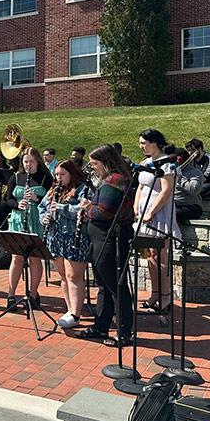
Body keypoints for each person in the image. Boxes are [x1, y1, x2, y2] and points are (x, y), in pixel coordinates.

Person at [76, 144, 135, 346]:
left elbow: (104, 212)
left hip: (111, 239)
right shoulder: (108, 180)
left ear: (106, 163)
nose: (93, 168)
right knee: (103, 285)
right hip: (101, 238)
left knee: (115, 286)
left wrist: (87, 208)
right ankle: (101, 326)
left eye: (95, 164)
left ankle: (125, 332)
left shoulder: (115, 181)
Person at [39, 160, 91, 329]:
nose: (58, 178)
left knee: (73, 276)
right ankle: (69, 309)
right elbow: (42, 207)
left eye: (62, 174)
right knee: (62, 275)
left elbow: (83, 211)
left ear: (72, 173)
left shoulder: (83, 189)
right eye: (57, 174)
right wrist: (44, 217)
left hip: (74, 239)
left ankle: (76, 314)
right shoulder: (54, 189)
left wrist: (61, 208)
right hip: (56, 237)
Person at [136, 129, 181, 313]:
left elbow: (166, 190)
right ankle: (155, 293)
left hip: (159, 214)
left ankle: (166, 297)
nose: (141, 146)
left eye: (143, 142)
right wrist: (136, 208)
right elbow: (140, 185)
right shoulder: (146, 162)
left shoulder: (167, 164)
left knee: (161, 258)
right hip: (143, 215)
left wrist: (152, 212)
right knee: (150, 257)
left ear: (154, 142)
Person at [4, 147, 53, 308]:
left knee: (34, 258)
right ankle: (11, 295)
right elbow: (7, 200)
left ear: (38, 161)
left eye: (31, 161)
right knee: (16, 257)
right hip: (18, 220)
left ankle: (32, 294)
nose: (28, 165)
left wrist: (36, 198)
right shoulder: (17, 177)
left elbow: (51, 201)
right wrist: (18, 204)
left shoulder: (46, 178)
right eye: (25, 161)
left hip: (35, 221)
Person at [174, 147, 204, 222]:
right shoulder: (168, 172)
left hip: (190, 206)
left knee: (174, 213)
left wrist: (180, 177)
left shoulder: (195, 173)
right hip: (172, 205)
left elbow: (194, 190)